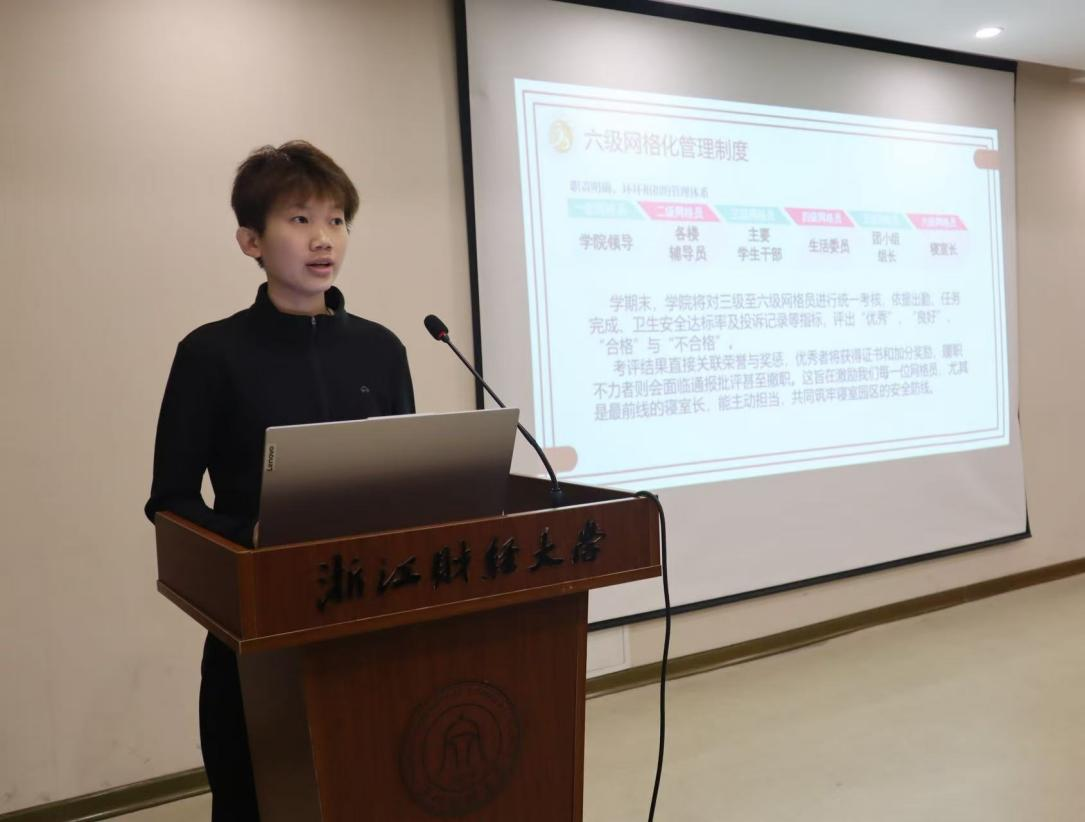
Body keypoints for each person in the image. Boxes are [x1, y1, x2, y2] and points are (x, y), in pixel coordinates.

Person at [145, 141, 415, 821]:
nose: (324, 238)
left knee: (375, 789)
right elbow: (171, 500)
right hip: (259, 628)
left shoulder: (381, 350)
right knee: (258, 800)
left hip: (370, 621)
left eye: (337, 220)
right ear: (251, 241)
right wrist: (252, 536)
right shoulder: (210, 354)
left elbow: (405, 483)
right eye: (299, 219)